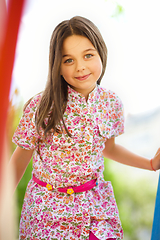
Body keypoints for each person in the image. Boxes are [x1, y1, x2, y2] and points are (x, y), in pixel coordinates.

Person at [9, 16, 160, 240]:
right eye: (68, 60)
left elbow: (108, 149)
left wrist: (150, 164)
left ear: (101, 53)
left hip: (95, 207)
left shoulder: (111, 102)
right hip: (47, 211)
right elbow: (20, 159)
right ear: (57, 66)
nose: (80, 67)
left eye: (88, 55)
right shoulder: (42, 106)